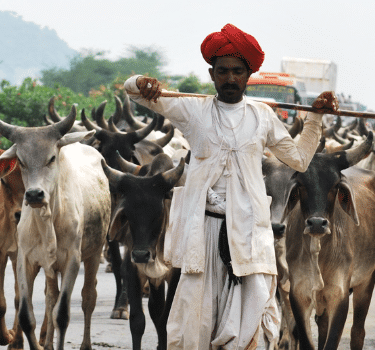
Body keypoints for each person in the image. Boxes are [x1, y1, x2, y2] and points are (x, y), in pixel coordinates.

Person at [124, 23, 337, 349]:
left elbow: (298, 160)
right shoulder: (192, 110)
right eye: (222, 71)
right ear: (212, 74)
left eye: (238, 71)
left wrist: (316, 119)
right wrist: (142, 83)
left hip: (249, 231)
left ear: (248, 74)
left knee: (249, 318)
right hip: (202, 230)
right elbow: (135, 92)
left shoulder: (262, 116)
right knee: (197, 319)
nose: (230, 78)